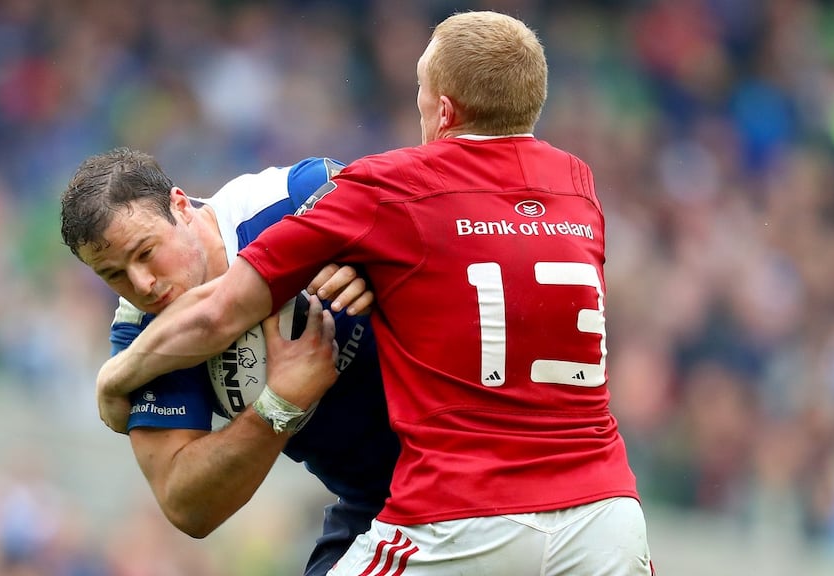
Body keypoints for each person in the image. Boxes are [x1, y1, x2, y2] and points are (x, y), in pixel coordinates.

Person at [94, 10, 653, 575]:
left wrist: (116, 378)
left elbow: (216, 314)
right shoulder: (579, 190)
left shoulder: (388, 191)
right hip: (603, 512)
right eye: (115, 273)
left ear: (443, 109)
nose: (141, 284)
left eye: (419, 90)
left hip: (460, 505)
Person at [59, 148, 400, 576]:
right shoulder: (140, 332)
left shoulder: (295, 199)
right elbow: (188, 506)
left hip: (469, 450)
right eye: (113, 275)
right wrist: (278, 405)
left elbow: (453, 238)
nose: (142, 284)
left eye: (146, 252)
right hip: (377, 504)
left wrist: (384, 272)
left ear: (181, 206)